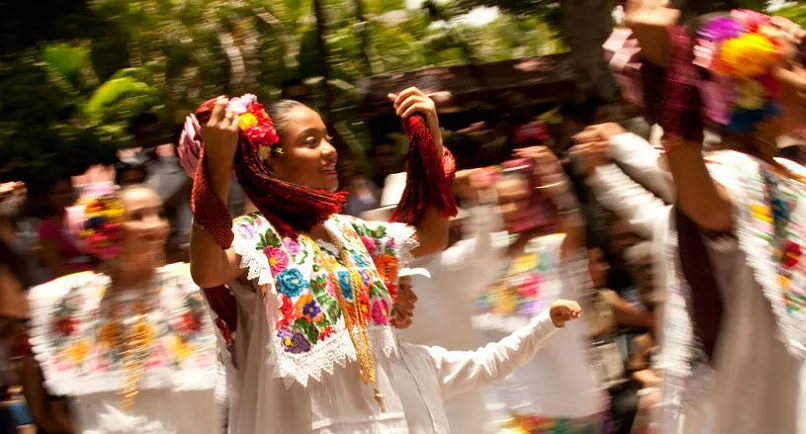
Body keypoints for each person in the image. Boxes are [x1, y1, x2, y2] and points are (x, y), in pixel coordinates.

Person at [581, 3, 806, 433]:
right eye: (792, 68)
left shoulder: (798, 178)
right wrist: (670, 69)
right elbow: (699, 200)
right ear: (754, 87)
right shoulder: (733, 177)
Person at [183, 88, 459, 433]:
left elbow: (432, 236)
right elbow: (207, 271)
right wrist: (218, 166)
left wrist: (430, 139)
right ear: (270, 158)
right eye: (311, 142)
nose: (330, 151)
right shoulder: (254, 236)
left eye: (327, 139)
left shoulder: (350, 233)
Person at [25, 182, 222, 434]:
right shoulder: (79, 298)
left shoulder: (191, 284)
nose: (155, 224)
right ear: (110, 227)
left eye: (159, 214)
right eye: (138, 216)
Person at [473, 146, 608, 432]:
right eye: (501, 202)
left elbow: (573, 223)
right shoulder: (487, 260)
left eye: (518, 200)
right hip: (508, 415)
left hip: (568, 413)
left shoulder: (552, 249)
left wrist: (555, 179)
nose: (509, 210)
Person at [363, 167, 502, 434]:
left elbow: (486, 249)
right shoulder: (450, 268)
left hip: (454, 419)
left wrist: (482, 198)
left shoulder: (449, 267)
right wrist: (481, 197)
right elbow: (487, 249)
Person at [392, 269, 585, 434]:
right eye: (401, 287)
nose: (413, 298)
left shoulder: (421, 361)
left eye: (410, 287)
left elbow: (491, 362)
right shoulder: (365, 369)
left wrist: (547, 323)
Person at [37, 179, 95, 278]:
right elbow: (56, 269)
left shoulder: (85, 218)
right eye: (60, 193)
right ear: (51, 198)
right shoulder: (47, 227)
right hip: (70, 281)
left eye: (68, 192)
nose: (65, 196)